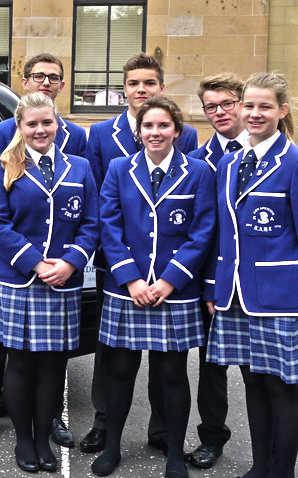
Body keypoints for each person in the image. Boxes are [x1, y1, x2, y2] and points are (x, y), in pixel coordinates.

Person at [207, 73, 298, 478]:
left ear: (282, 111)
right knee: (253, 384)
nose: (255, 113)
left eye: (265, 106)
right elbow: (221, 234)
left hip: (278, 295)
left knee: (280, 386)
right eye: (248, 105)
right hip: (234, 295)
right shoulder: (229, 162)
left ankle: (283, 472)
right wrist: (214, 286)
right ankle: (260, 466)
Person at [80, 52, 199, 455]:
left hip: (168, 267)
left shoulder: (187, 137)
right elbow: (98, 203)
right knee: (112, 356)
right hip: (118, 265)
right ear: (124, 89)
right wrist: (125, 269)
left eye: (149, 83)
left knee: (167, 362)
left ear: (160, 88)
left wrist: (169, 276)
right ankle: (104, 423)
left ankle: (163, 430)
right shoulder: (100, 135)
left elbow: (190, 206)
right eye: (134, 83)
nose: (141, 90)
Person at [93, 96, 217, 478]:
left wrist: (169, 280)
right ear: (139, 131)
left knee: (172, 375)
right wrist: (131, 278)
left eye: (163, 126)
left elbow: (202, 231)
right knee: (120, 372)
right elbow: (109, 226)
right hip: (125, 288)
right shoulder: (119, 168)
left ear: (177, 131)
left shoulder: (198, 172)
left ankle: (175, 455)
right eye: (148, 126)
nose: (155, 132)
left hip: (174, 291)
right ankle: (112, 447)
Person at [0, 53, 87, 448]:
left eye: (53, 77)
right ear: (25, 82)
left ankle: (50, 419)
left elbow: (84, 210)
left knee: (52, 356)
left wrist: (70, 260)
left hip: (60, 264)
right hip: (16, 262)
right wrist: (31, 261)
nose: (45, 82)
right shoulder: (3, 135)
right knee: (3, 345)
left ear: (61, 86)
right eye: (38, 75)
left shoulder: (78, 139)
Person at [179, 73, 249, 469]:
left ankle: (271, 447)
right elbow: (198, 230)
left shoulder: (269, 153)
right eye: (211, 106)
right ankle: (212, 437)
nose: (219, 112)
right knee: (211, 365)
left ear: (241, 104)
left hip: (255, 283)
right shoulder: (196, 162)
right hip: (210, 284)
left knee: (261, 373)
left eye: (227, 103)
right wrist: (206, 284)